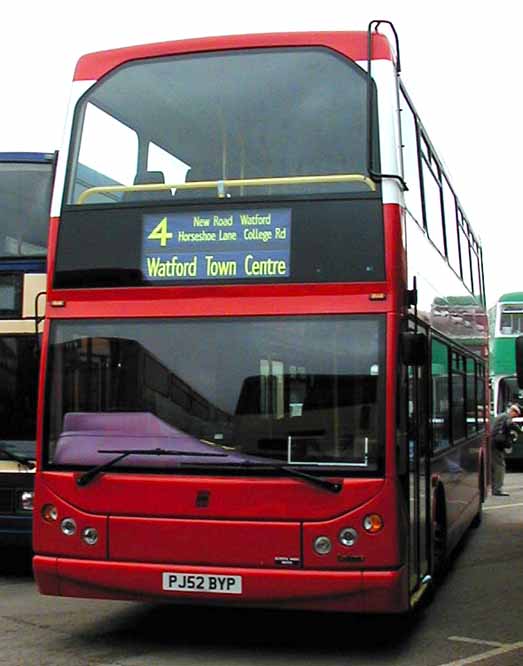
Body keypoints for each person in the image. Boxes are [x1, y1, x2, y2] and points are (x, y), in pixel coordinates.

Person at [491, 403, 521, 496]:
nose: (515, 416)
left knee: (495, 466)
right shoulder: (506, 417)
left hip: (493, 443)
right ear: (513, 411)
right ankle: (497, 489)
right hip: (497, 445)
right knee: (500, 466)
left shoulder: (501, 416)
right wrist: (519, 430)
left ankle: (494, 488)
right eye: (516, 414)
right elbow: (510, 424)